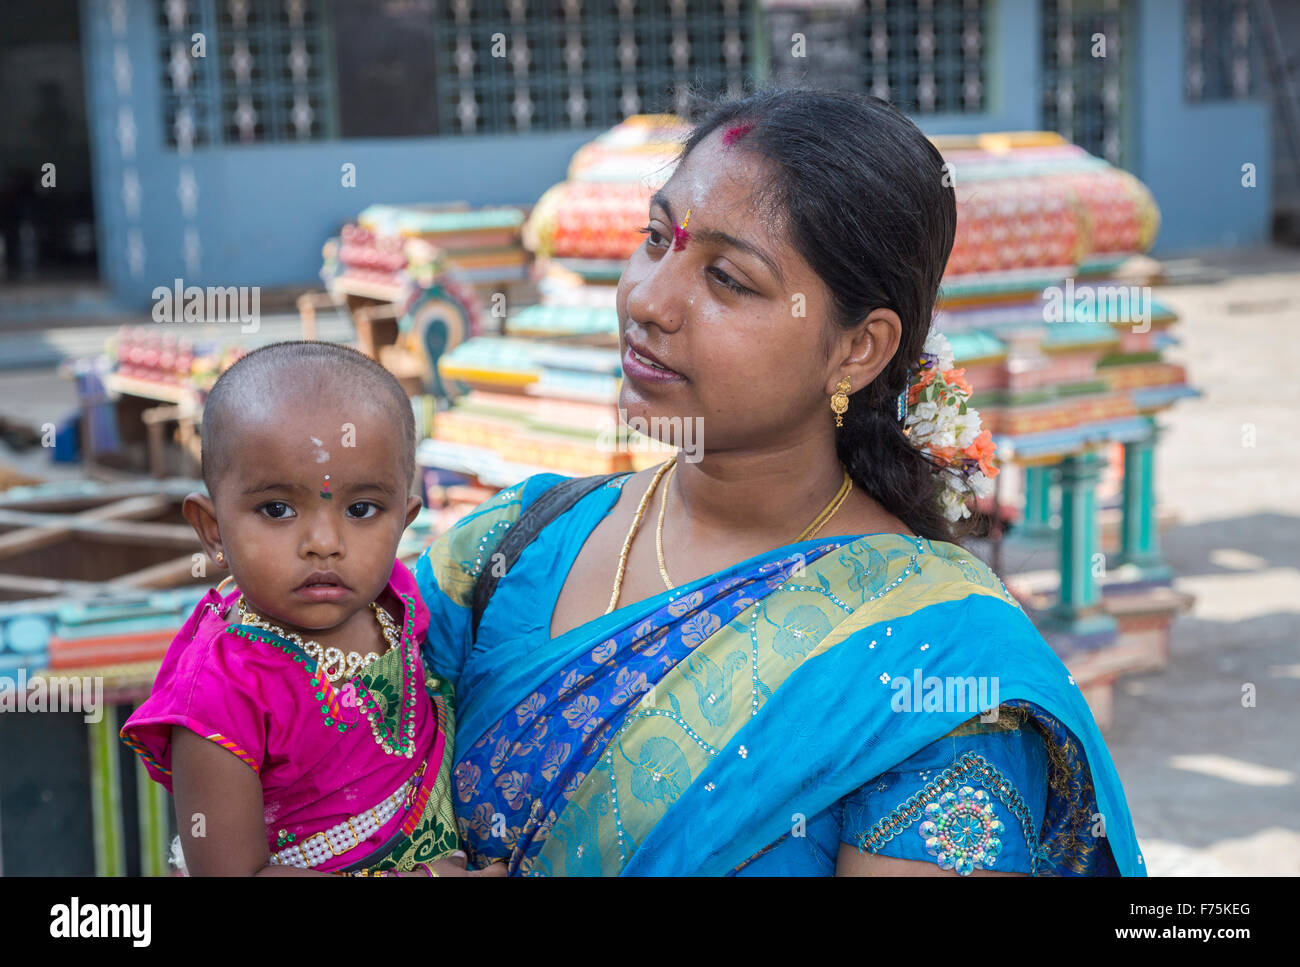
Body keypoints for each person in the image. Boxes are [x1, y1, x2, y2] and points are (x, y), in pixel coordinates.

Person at [414, 88, 1145, 876]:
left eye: (728, 279)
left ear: (858, 349)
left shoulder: (934, 666)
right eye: (656, 238)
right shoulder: (506, 548)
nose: (648, 300)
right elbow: (301, 775)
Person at [121, 342, 501, 877]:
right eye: (276, 509)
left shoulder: (397, 597)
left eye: (362, 509)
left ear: (404, 519)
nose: (324, 543)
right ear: (212, 531)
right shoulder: (219, 696)